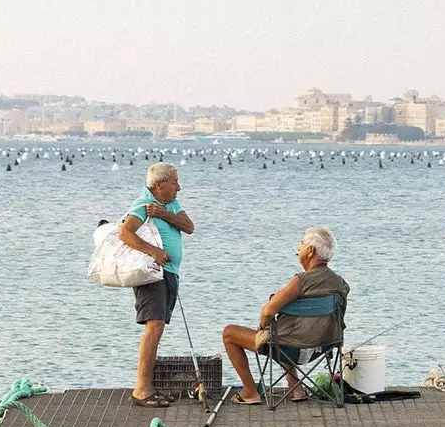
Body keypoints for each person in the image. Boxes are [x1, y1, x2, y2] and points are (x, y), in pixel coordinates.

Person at [222, 227, 348, 404]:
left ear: (310, 251)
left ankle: (250, 392)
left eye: (302, 243)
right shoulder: (340, 283)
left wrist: (262, 326)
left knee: (230, 333)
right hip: (322, 346)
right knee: (288, 330)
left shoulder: (301, 281)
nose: (299, 247)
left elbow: (267, 311)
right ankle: (296, 389)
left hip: (291, 347)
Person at [119, 163, 195, 404]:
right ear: (159, 185)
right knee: (154, 326)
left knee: (158, 326)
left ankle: (147, 386)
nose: (179, 187)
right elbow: (125, 233)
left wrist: (163, 214)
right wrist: (153, 251)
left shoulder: (169, 203)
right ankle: (142, 389)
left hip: (170, 272)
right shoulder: (142, 205)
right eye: (174, 182)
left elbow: (189, 227)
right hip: (153, 273)